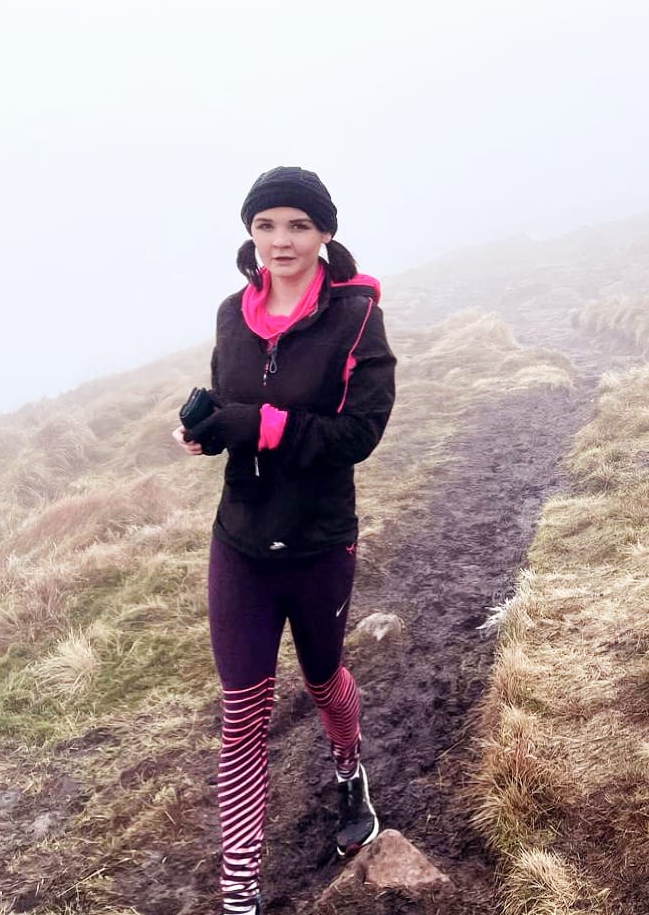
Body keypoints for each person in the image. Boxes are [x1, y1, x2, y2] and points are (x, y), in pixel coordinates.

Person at [173, 165, 397, 915]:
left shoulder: (355, 318)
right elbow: (230, 409)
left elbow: (359, 434)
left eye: (298, 225)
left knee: (324, 681)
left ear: (325, 233)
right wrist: (205, 434)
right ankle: (241, 895)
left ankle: (347, 769)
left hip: (318, 540)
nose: (280, 240)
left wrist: (257, 425)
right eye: (265, 225)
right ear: (250, 232)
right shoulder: (231, 315)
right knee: (243, 713)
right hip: (240, 537)